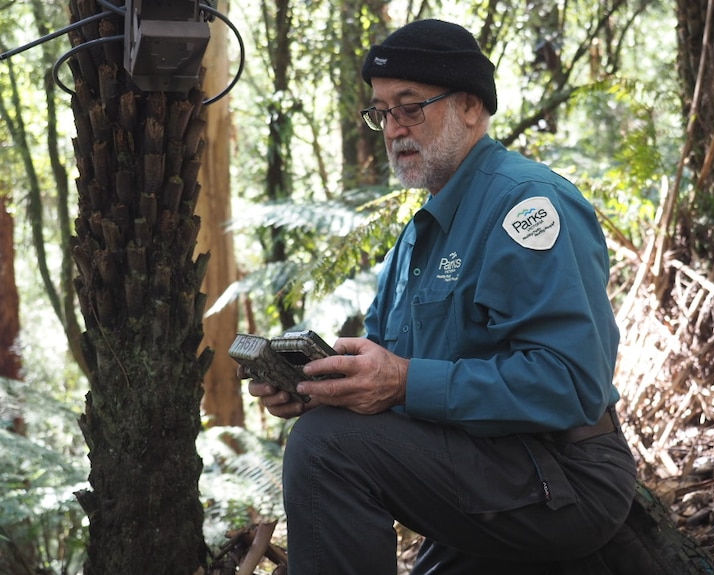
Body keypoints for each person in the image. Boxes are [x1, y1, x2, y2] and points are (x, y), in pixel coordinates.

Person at [246, 18, 637, 575]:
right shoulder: (417, 238)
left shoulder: (527, 206)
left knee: (325, 447)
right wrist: (323, 387)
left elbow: (572, 385)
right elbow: (383, 374)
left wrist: (404, 381)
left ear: (471, 107)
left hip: (564, 475)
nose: (392, 128)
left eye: (410, 106)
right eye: (382, 111)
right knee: (324, 426)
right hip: (489, 463)